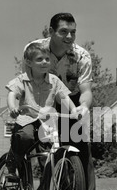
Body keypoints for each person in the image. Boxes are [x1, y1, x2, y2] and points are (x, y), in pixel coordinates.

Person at [23, 13, 96, 190]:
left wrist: (83, 107)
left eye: (73, 32)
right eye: (63, 31)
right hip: (41, 97)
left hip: (70, 100)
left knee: (81, 153)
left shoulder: (82, 56)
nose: (69, 36)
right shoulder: (35, 50)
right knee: (46, 149)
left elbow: (86, 91)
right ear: (51, 31)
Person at [6, 42, 76, 178]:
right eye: (39, 59)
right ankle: (12, 160)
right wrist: (13, 107)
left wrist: (74, 110)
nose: (44, 62)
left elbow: (64, 97)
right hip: (27, 119)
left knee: (49, 155)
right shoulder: (22, 80)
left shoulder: (54, 81)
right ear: (29, 62)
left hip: (47, 121)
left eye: (47, 59)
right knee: (25, 136)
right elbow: (12, 94)